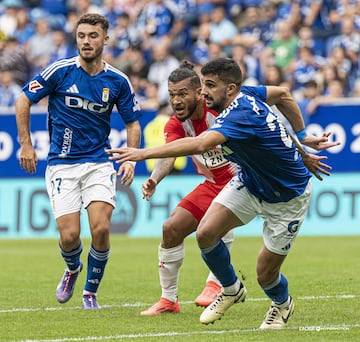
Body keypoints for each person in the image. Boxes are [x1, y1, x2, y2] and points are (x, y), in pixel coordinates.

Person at [106, 57, 340, 328]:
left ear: (229, 89)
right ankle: (229, 288)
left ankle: (282, 303)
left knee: (265, 275)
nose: (203, 92)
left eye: (209, 86)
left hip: (287, 197)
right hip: (249, 182)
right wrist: (301, 139)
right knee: (205, 234)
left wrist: (143, 153)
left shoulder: (237, 115)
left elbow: (200, 143)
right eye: (203, 85)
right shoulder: (246, 94)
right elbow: (283, 95)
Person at [15, 13, 142, 310]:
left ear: (105, 39)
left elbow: (133, 123)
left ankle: (90, 293)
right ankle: (73, 268)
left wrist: (132, 159)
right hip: (62, 163)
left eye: (93, 36)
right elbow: (23, 100)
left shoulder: (118, 80)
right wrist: (26, 145)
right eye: (82, 35)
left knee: (100, 228)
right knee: (70, 235)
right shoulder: (59, 72)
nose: (86, 41)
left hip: (98, 161)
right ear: (77, 38)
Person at [136, 60, 238, 316]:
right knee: (171, 229)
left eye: (182, 94)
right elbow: (169, 155)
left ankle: (217, 284)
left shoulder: (220, 112)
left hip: (243, 182)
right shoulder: (175, 124)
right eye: (171, 95)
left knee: (212, 228)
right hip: (213, 184)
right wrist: (154, 179)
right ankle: (169, 300)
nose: (176, 100)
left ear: (199, 92)